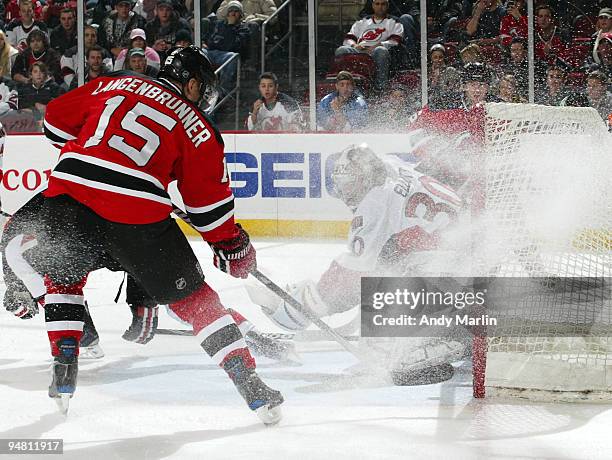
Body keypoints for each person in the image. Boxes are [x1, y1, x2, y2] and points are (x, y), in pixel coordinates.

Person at [36, 45, 283, 422]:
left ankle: (64, 363)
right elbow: (209, 207)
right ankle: (249, 382)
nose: (205, 96)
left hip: (68, 193)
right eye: (204, 87)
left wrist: (97, 154)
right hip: (135, 213)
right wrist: (230, 244)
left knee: (63, 277)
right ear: (192, 82)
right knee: (196, 300)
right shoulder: (198, 126)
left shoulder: (114, 83)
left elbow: (54, 121)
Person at [248, 144, 466, 383]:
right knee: (393, 258)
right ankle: (447, 327)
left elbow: (350, 277)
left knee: (380, 276)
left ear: (365, 178)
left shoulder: (374, 206)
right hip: (471, 254)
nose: (345, 191)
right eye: (342, 183)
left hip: (457, 276)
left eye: (350, 183)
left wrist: (302, 307)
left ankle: (440, 337)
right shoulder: (388, 162)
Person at [335, 0, 403, 93]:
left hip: (377, 51)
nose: (380, 7)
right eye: (377, 4)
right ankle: (343, 86)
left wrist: (378, 45)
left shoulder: (394, 21)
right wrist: (355, 45)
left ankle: (380, 88)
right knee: (341, 50)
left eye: (383, 4)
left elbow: (395, 40)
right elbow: (348, 39)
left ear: (387, 5)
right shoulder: (362, 21)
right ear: (373, 5)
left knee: (381, 51)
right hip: (359, 50)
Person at [202, 0, 250, 96]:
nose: (232, 13)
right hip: (212, 52)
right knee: (199, 51)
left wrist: (231, 26)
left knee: (233, 57)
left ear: (240, 14)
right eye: (230, 10)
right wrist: (206, 42)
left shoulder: (244, 28)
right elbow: (210, 40)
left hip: (226, 55)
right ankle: (201, 86)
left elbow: (232, 46)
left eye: (236, 11)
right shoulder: (219, 24)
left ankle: (223, 92)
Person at [61, 25, 113, 89]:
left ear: (96, 38)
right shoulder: (69, 54)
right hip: (76, 87)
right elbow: (67, 74)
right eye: (86, 35)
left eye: (93, 35)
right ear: (81, 37)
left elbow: (108, 73)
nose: (90, 38)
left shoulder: (104, 53)